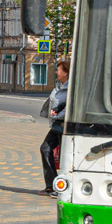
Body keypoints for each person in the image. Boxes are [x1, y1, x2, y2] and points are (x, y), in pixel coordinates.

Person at [39, 59, 69, 196]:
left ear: (66, 72)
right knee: (45, 148)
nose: (56, 72)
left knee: (65, 158)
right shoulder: (58, 85)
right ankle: (51, 185)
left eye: (58, 70)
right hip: (56, 125)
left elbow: (70, 107)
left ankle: (63, 188)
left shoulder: (71, 88)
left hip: (65, 126)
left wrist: (57, 115)